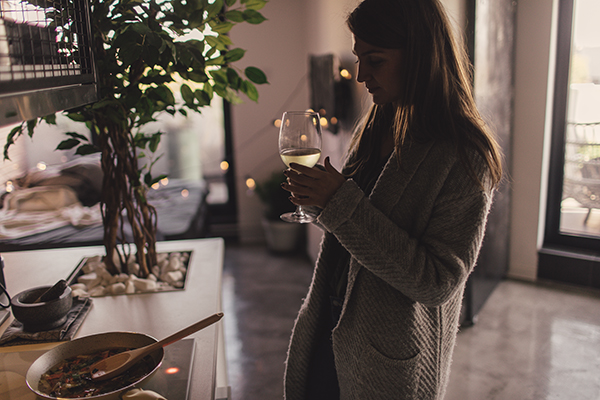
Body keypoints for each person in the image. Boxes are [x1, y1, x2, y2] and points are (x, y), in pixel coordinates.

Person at [280, 0, 503, 399]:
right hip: (328, 327)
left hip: (386, 361)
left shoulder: (466, 154)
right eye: (359, 58)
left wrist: (339, 203)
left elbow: (437, 282)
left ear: (421, 57)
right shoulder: (380, 121)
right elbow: (353, 226)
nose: (361, 74)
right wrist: (317, 201)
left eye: (376, 60)